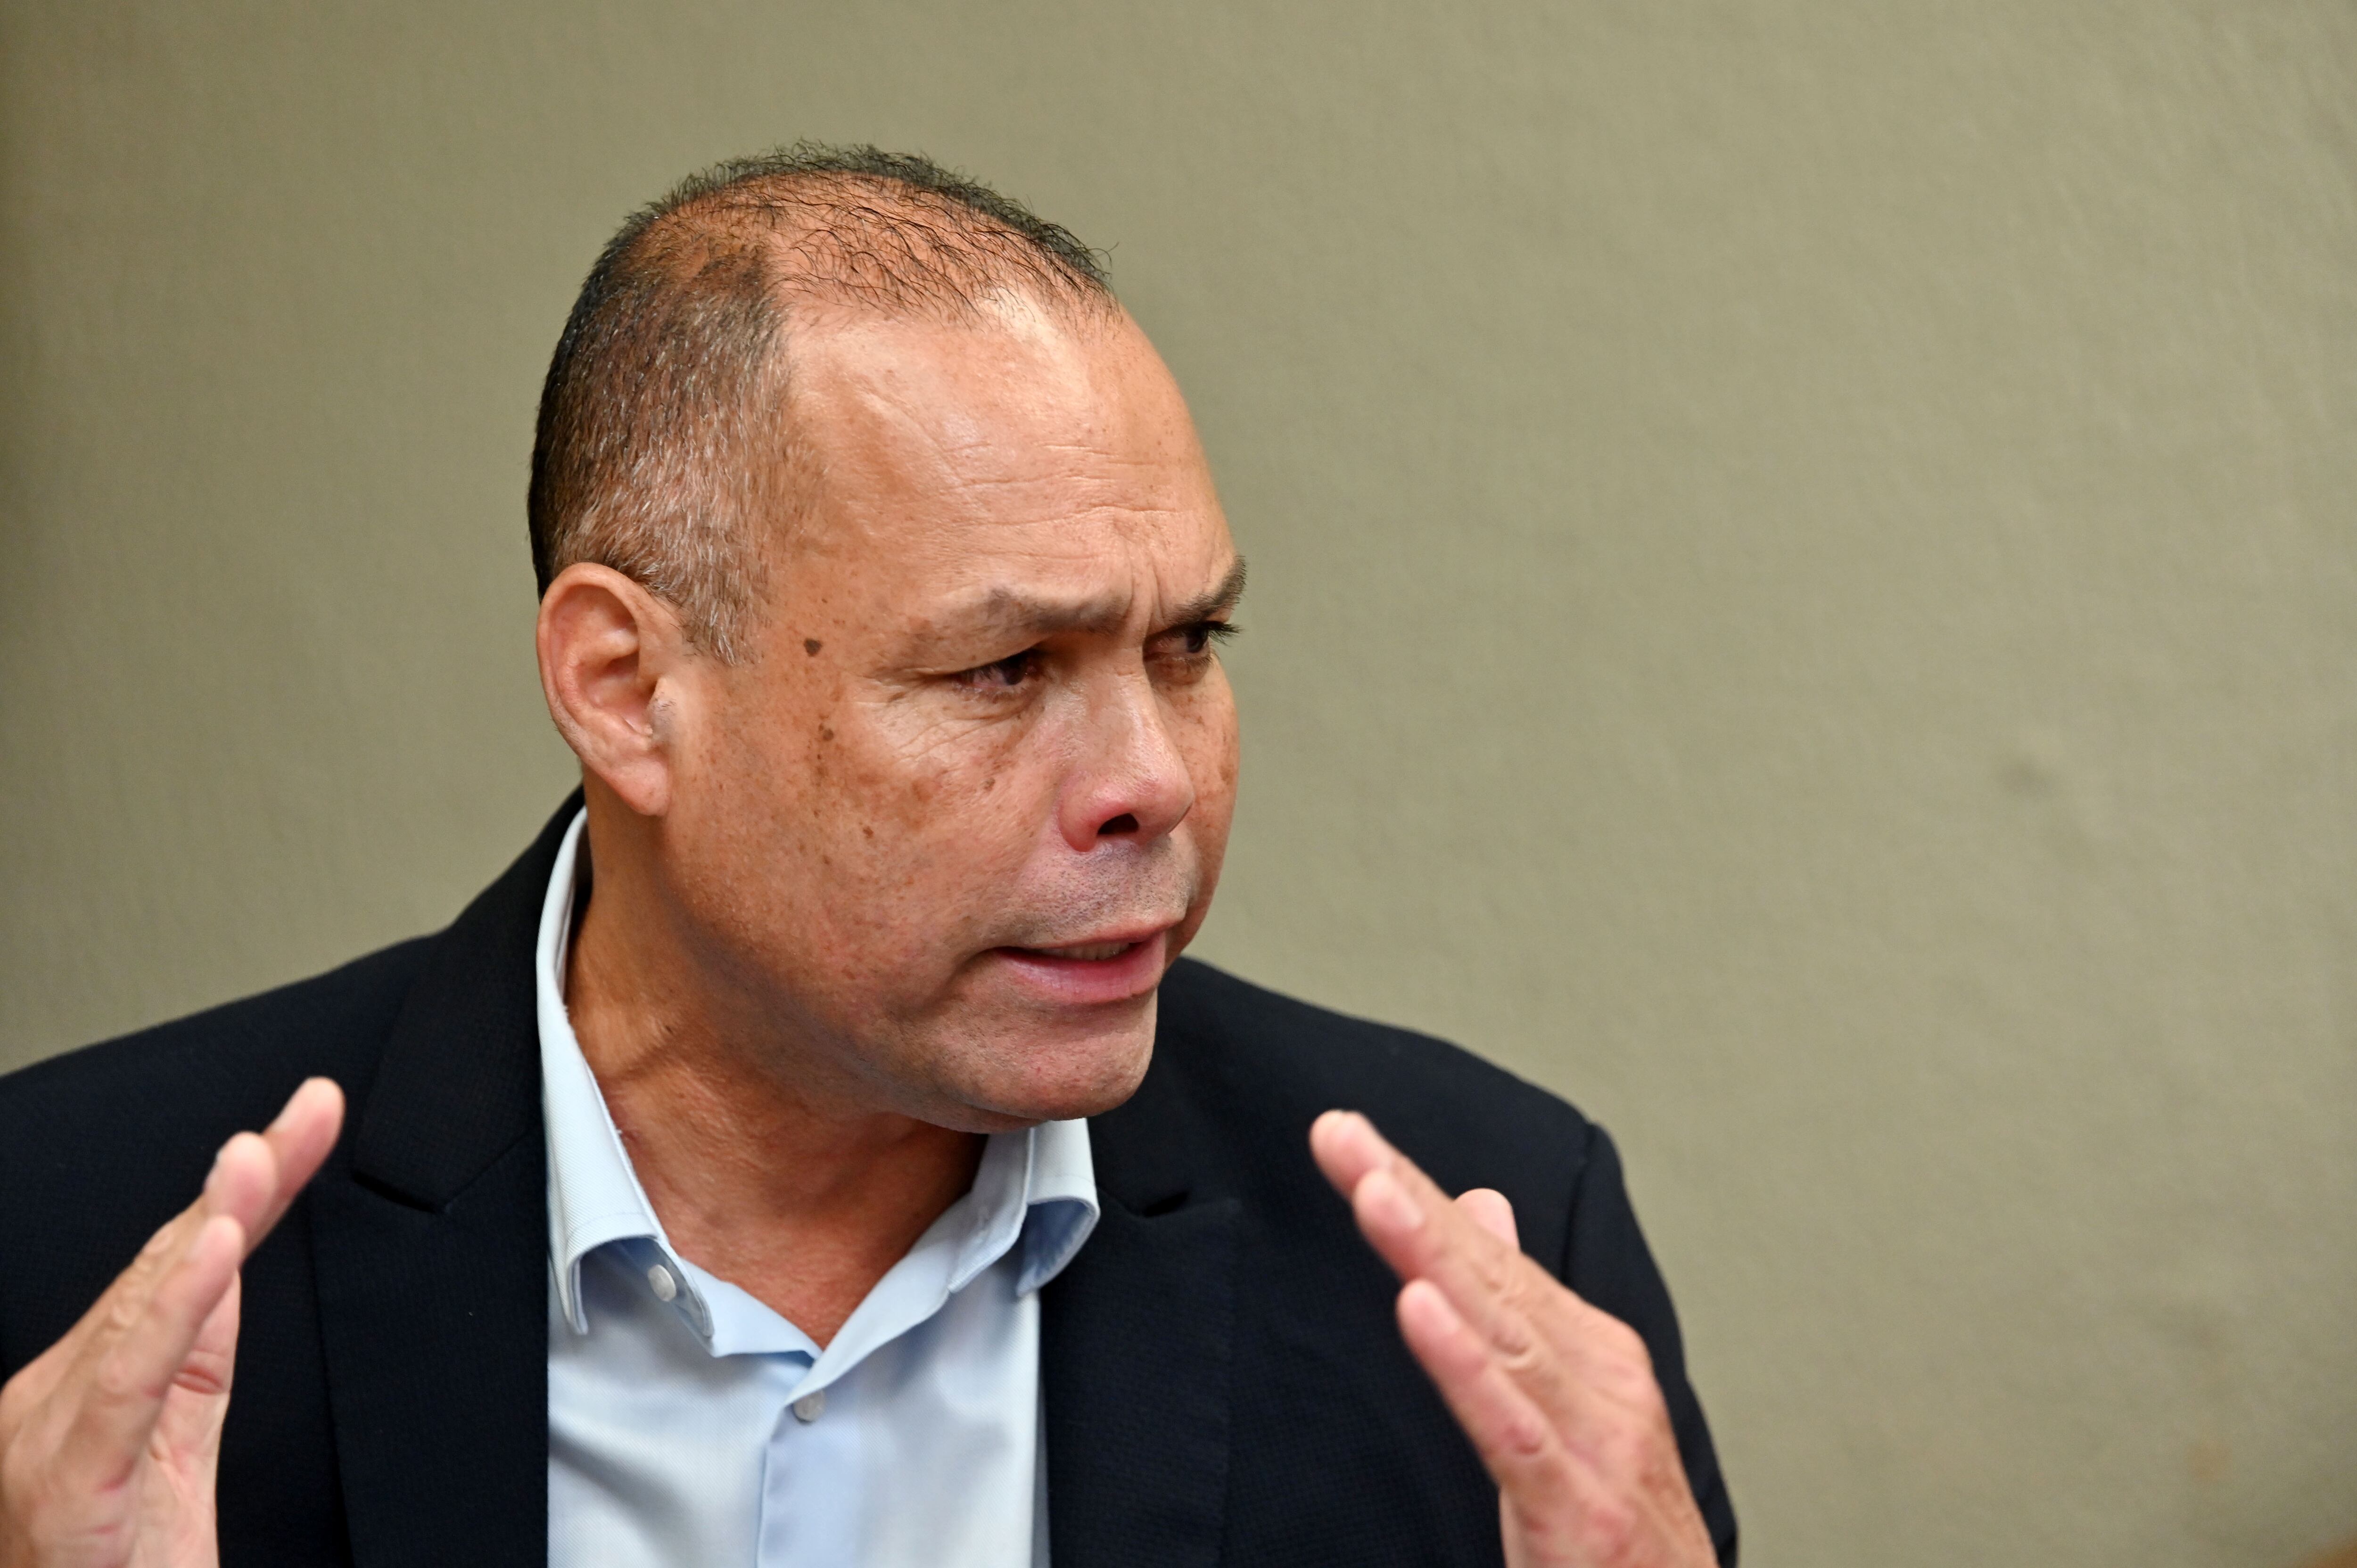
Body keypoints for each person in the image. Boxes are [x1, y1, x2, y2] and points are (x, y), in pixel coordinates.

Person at [0, 146, 1736, 1568]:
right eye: (1006, 668)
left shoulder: (1489, 1263)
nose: (1152, 781)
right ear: (627, 689)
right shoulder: (64, 1252)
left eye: (1187, 646)